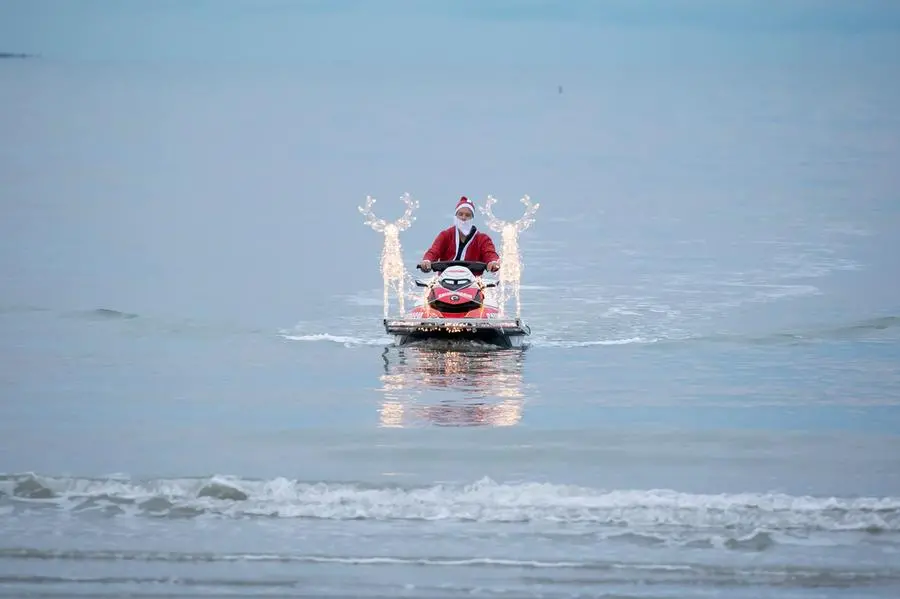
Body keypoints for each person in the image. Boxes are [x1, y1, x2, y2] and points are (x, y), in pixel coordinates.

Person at [418, 196, 501, 274]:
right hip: (444, 280)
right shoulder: (445, 235)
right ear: (455, 216)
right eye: (460, 214)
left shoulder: (483, 239)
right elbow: (433, 252)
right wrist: (427, 260)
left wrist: (493, 262)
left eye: (467, 215)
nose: (463, 218)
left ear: (472, 218)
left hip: (473, 283)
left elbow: (490, 254)